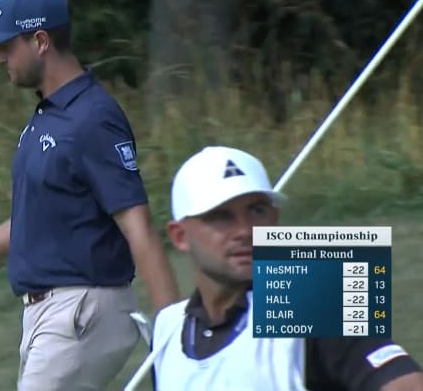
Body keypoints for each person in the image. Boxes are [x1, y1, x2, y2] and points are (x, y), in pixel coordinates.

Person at [0, 0, 181, 390]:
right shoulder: (46, 119)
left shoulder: (92, 119)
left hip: (82, 313)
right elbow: (33, 219)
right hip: (50, 317)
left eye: (6, 46)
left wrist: (175, 337)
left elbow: (137, 225)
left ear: (40, 41)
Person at [148, 145, 423, 390]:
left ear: (275, 218)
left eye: (257, 211)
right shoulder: (167, 329)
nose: (245, 230)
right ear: (179, 236)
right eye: (221, 217)